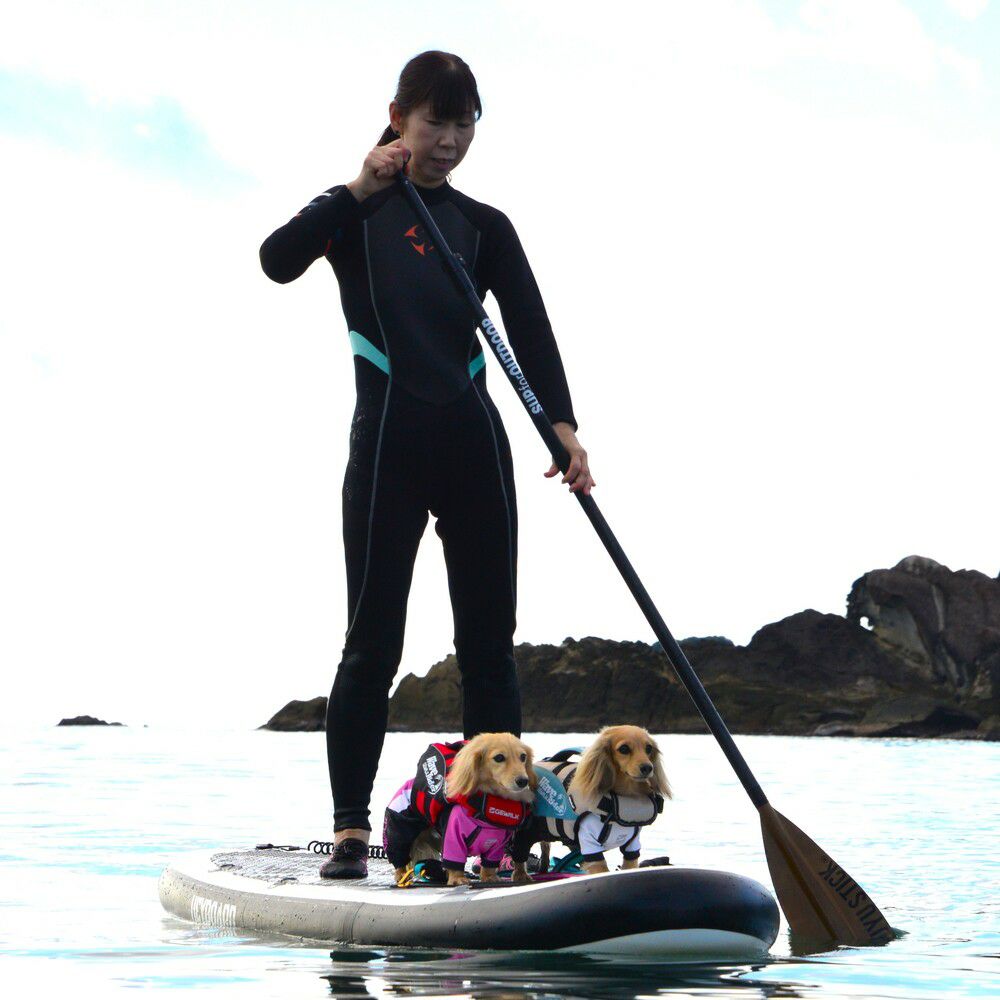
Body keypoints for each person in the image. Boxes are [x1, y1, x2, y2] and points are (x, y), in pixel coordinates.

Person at [259, 50, 594, 879]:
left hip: (476, 446)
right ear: (397, 118)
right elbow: (276, 258)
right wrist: (357, 188)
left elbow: (530, 326)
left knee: (489, 646)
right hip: (388, 450)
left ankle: (497, 829)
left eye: (464, 124)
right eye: (434, 122)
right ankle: (350, 830)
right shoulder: (354, 212)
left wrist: (562, 429)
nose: (449, 140)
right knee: (372, 644)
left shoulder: (484, 227)